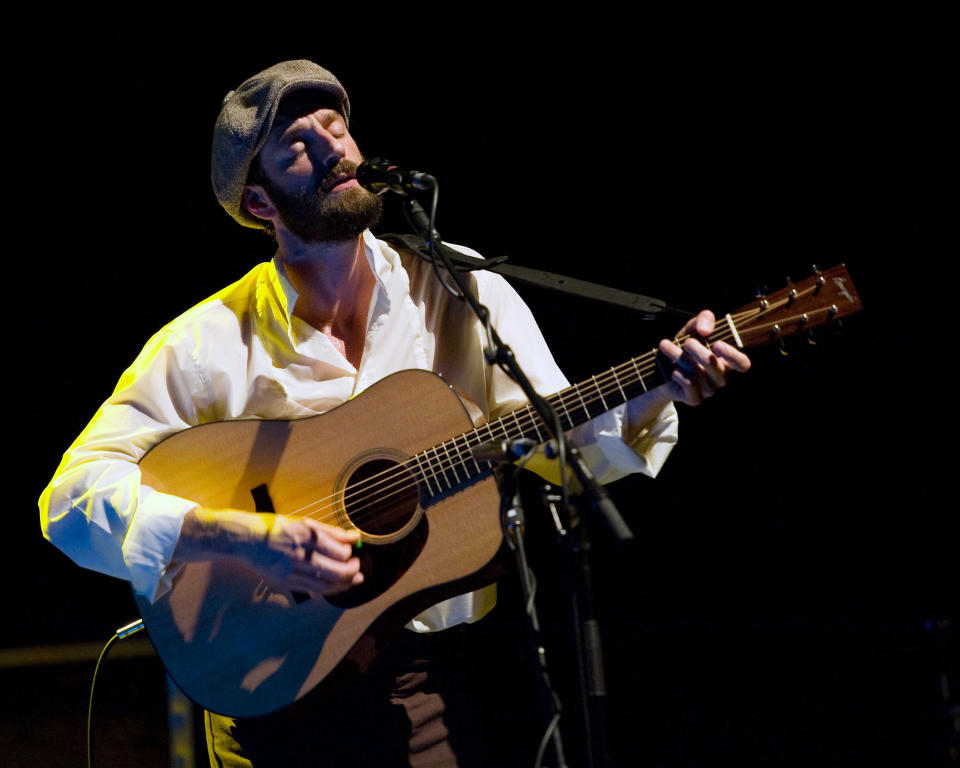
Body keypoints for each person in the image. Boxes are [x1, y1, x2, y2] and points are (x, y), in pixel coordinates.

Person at [39, 60, 750, 767]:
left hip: (428, 691)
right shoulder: (206, 344)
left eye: (336, 127)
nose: (332, 149)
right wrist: (240, 538)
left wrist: (664, 387)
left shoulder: (458, 286)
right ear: (260, 204)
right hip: (266, 702)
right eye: (296, 144)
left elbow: (561, 445)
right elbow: (70, 502)